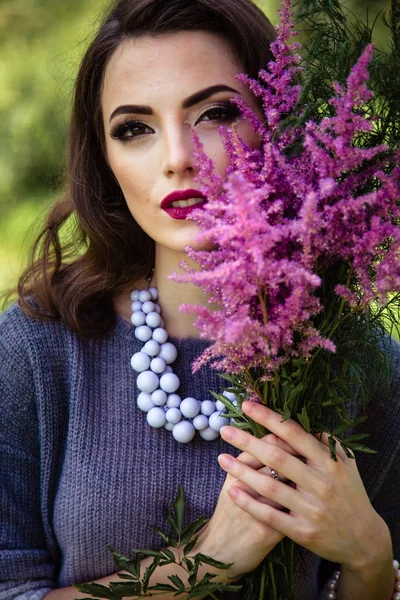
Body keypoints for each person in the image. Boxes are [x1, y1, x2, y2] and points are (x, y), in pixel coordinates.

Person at [0, 0, 399, 599]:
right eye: (135, 128)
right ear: (104, 160)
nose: (177, 159)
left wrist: (369, 559)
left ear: (278, 123)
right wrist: (207, 560)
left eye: (213, 113)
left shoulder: (356, 354)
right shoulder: (40, 347)